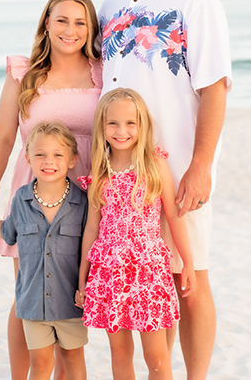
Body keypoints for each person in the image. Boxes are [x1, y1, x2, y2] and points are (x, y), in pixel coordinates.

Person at [99, 0, 232, 379]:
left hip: (177, 168)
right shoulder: (109, 3)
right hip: (124, 175)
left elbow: (215, 85)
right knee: (154, 283)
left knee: (189, 276)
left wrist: (200, 167)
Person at [0, 0, 102, 380]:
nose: (70, 29)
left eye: (80, 21)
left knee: (72, 296)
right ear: (46, 22)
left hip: (86, 196)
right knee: (29, 293)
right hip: (33, 193)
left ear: (90, 27)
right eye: (61, 19)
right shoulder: (24, 74)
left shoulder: (104, 70)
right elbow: (4, 138)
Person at [75, 88, 196, 380]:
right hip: (110, 274)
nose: (121, 131)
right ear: (101, 127)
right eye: (113, 123)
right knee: (119, 353)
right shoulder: (99, 173)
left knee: (156, 358)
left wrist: (188, 263)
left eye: (130, 123)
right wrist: (83, 276)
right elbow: (92, 228)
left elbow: (174, 216)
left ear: (142, 126)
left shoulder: (154, 165)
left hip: (148, 272)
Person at [0, 122, 88, 380]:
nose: (48, 161)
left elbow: (91, 246)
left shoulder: (82, 202)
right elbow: (9, 232)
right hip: (33, 303)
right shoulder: (21, 199)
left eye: (57, 154)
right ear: (28, 159)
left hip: (70, 302)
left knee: (73, 361)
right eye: (40, 154)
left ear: (72, 160)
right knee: (40, 363)